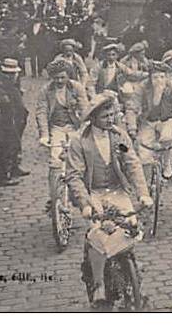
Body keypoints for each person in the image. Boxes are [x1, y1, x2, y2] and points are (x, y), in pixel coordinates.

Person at [65, 93, 153, 306]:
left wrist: (143, 193)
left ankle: (131, 273)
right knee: (98, 233)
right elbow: (74, 175)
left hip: (117, 191)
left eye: (113, 114)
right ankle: (98, 284)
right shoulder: (79, 141)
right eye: (105, 116)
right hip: (94, 193)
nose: (111, 119)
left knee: (128, 227)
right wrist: (85, 204)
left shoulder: (119, 137)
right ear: (93, 118)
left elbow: (131, 163)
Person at [35, 58, 89, 208]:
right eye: (56, 77)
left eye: (63, 77)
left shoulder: (76, 87)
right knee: (55, 162)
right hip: (57, 127)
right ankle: (54, 196)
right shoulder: (46, 90)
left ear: (68, 76)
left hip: (74, 126)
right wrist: (44, 135)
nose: (59, 80)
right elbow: (41, 112)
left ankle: (80, 193)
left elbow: (85, 107)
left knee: (78, 160)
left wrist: (84, 128)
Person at [132, 62, 172, 180]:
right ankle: (148, 180)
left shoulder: (171, 87)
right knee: (144, 152)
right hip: (148, 121)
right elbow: (132, 108)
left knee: (167, 137)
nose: (159, 81)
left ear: (166, 77)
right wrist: (132, 128)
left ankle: (167, 163)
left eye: (162, 77)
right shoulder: (142, 87)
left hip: (166, 120)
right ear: (150, 78)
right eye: (155, 77)